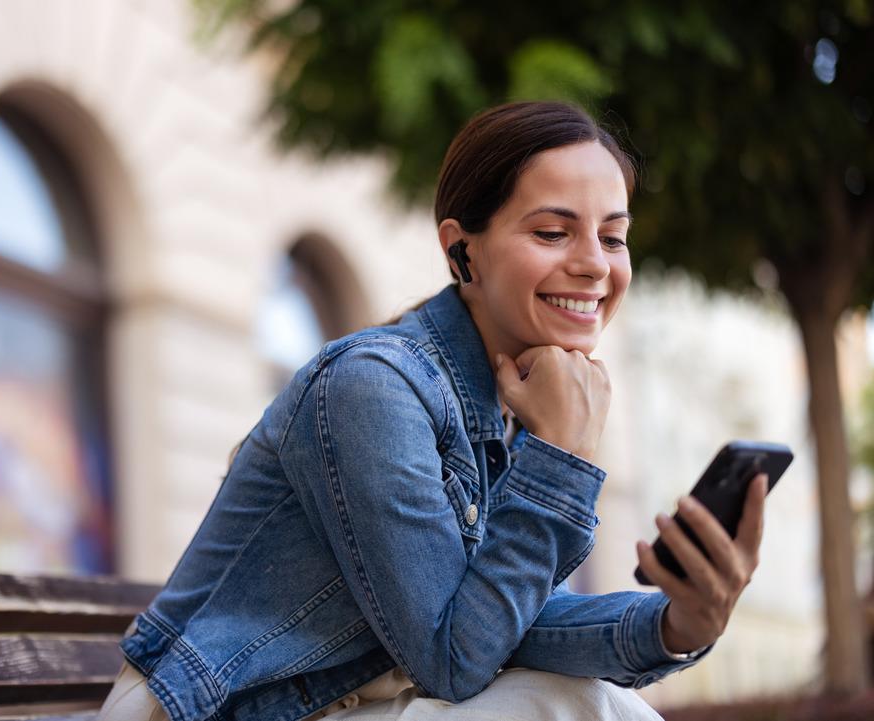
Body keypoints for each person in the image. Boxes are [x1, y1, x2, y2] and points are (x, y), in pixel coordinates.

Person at [96, 101, 767, 721]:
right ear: (462, 249)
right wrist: (561, 457)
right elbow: (455, 659)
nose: (594, 264)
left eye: (613, 237)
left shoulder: (507, 402)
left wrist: (680, 625)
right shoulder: (372, 386)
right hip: (224, 711)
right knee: (575, 708)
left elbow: (513, 623)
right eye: (554, 230)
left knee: (586, 700)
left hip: (355, 705)